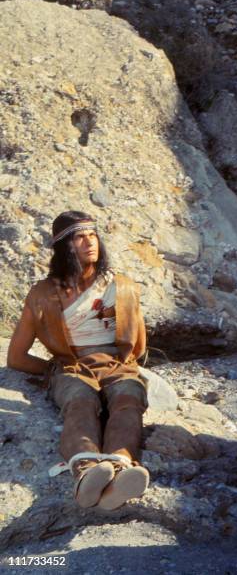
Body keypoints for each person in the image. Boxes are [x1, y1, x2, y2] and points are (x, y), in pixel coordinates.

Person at [7, 211, 150, 510]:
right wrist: (54, 371)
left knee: (128, 397)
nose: (89, 242)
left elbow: (137, 347)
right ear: (63, 247)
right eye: (79, 237)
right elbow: (16, 357)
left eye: (93, 235)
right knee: (80, 399)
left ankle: (120, 468)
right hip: (71, 367)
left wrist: (118, 366)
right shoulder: (43, 294)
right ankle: (86, 470)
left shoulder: (121, 287)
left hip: (117, 364)